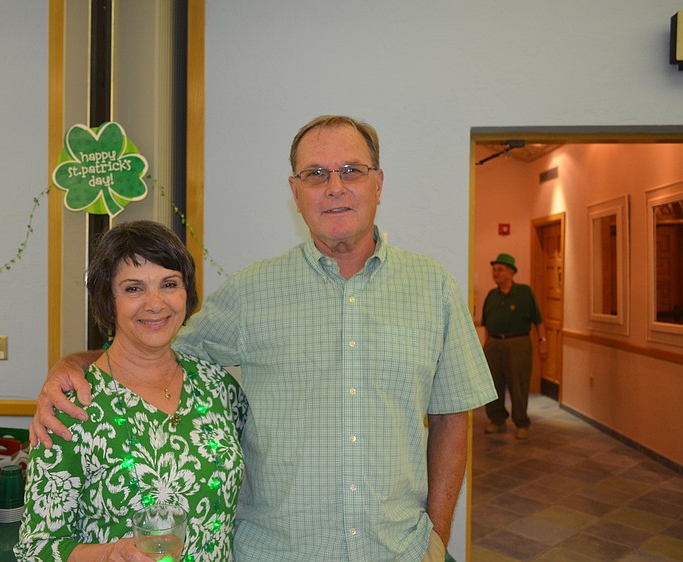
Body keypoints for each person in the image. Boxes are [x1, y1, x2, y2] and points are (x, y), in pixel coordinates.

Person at [32, 115, 496, 562]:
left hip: (397, 551)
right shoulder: (250, 293)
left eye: (351, 171)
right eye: (315, 174)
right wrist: (73, 363)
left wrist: (436, 537)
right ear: (295, 193)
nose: (334, 186)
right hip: (276, 553)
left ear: (379, 182)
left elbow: (453, 415)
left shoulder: (433, 287)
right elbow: (154, 345)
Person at [15, 221, 247, 562]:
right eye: (133, 289)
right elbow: (35, 549)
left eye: (169, 284)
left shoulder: (218, 387)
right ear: (108, 301)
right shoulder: (73, 404)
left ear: (187, 293)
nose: (155, 304)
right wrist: (109, 554)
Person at [481, 253, 548, 440]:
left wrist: (543, 342)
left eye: (500, 269)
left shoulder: (524, 292)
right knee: (493, 384)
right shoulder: (491, 296)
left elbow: (539, 320)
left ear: (511, 272)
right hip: (494, 343)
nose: (496, 273)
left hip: (518, 343)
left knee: (518, 384)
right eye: (494, 270)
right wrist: (487, 346)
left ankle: (521, 422)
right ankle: (497, 420)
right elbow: (486, 324)